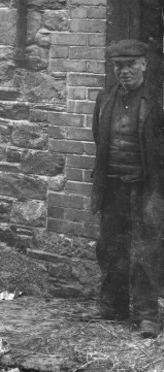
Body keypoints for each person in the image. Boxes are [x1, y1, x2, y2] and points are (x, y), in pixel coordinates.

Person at [91, 39, 164, 339]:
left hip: (146, 189)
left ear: (144, 65)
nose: (124, 71)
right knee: (111, 247)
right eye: (119, 66)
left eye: (130, 65)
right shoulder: (105, 99)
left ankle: (148, 315)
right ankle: (113, 307)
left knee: (146, 251)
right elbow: (99, 137)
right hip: (113, 187)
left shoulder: (157, 101)